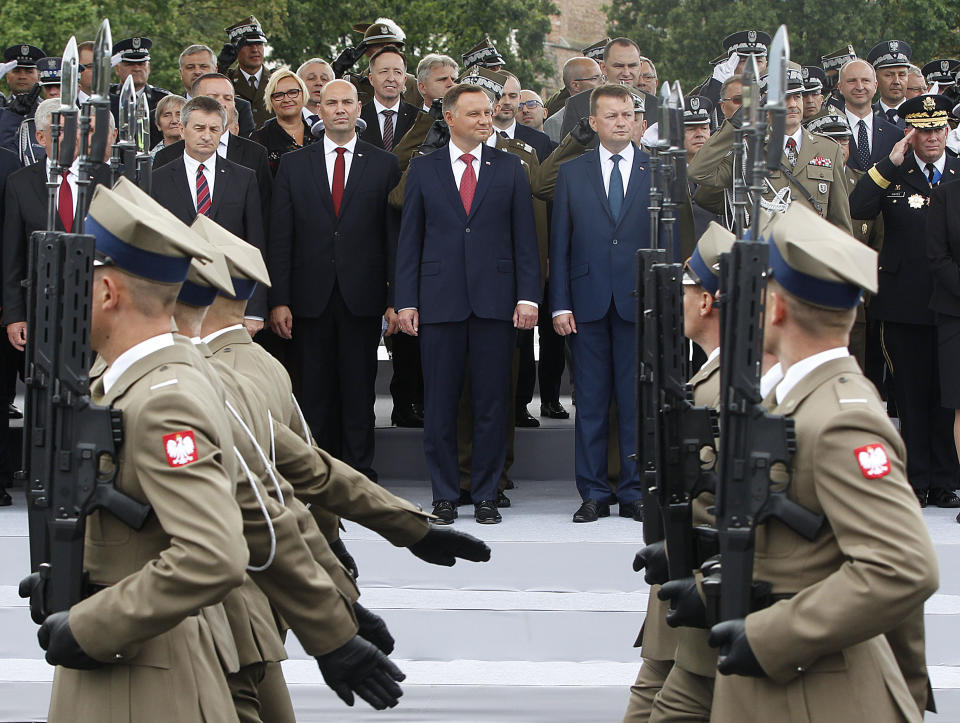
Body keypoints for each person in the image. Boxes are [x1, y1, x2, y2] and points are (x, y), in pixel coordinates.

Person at [707, 202, 938, 723]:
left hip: (817, 692)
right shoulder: (793, 400)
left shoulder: (840, 419)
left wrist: (770, 636)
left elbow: (902, 567)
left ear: (778, 308)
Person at [35, 183, 249, 722]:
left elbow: (213, 553)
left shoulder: (162, 400)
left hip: (141, 683)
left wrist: (91, 624)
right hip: (131, 666)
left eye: (77, 279)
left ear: (107, 292)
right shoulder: (133, 383)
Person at [394, 82, 540, 525]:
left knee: (492, 402)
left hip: (496, 303)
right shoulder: (424, 169)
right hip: (439, 303)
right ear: (450, 118)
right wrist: (405, 302)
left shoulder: (511, 167)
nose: (485, 120)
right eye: (474, 113)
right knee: (439, 404)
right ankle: (444, 493)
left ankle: (487, 493)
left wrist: (528, 295)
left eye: (488, 113)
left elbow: (525, 240)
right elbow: (410, 241)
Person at [624, 222, 737, 723]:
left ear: (708, 302)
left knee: (662, 699)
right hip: (687, 570)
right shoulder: (711, 375)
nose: (681, 299)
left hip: (699, 575)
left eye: (687, 289)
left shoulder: (721, 385)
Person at [268, 79, 399, 482]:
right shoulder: (293, 165)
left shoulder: (384, 164)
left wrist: (396, 298)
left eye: (347, 102)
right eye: (331, 103)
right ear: (318, 110)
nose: (340, 109)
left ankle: (359, 473)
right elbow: (280, 237)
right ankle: (319, 473)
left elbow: (393, 238)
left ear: (359, 108)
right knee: (314, 391)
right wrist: (279, 299)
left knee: (360, 390)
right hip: (308, 298)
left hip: (364, 296)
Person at [849, 93, 960, 508]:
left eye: (938, 128)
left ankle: (946, 480)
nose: (931, 137)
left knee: (948, 394)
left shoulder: (957, 171)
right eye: (923, 129)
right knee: (910, 394)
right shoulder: (893, 172)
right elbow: (858, 207)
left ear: (948, 130)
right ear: (910, 132)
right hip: (903, 299)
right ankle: (915, 479)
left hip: (950, 299)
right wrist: (887, 166)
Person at [550, 84, 649, 523]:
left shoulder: (657, 169)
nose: (622, 121)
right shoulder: (572, 173)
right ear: (593, 122)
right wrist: (559, 305)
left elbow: (668, 242)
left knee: (633, 402)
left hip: (638, 303)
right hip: (586, 304)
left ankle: (632, 491)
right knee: (590, 402)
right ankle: (592, 492)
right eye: (611, 116)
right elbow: (561, 244)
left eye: (628, 114)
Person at [689, 63, 853, 235]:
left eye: (797, 97)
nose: (792, 105)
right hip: (765, 254)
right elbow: (698, 172)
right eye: (784, 98)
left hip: (811, 254)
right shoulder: (746, 149)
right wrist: (732, 127)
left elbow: (841, 223)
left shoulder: (829, 149)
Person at [3, 98, 110, 355]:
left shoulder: (107, 177)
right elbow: (12, 255)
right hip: (42, 309)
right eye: (59, 131)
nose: (69, 138)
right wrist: (15, 314)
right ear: (40, 137)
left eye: (74, 130)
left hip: (96, 309)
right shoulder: (20, 183)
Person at [150, 96, 268, 325]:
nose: (206, 135)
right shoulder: (157, 180)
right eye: (199, 128)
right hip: (173, 303)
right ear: (183, 130)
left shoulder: (244, 179)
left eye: (214, 129)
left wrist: (254, 311)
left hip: (230, 301)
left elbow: (255, 244)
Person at [838, 58, 904, 173]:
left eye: (865, 81)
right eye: (852, 81)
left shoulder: (895, 135)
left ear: (875, 86)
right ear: (840, 87)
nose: (859, 87)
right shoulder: (827, 132)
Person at [178, 43, 255, 138]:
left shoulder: (241, 107)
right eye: (190, 67)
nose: (197, 71)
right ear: (181, 73)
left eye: (203, 66)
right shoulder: (169, 108)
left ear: (215, 70)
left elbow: (246, 146)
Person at [251, 68, 316, 175]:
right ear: (270, 100)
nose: (286, 99)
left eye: (293, 92)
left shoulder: (318, 134)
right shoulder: (259, 140)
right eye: (278, 95)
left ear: (303, 94)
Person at [109, 37, 170, 146]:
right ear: (117, 69)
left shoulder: (163, 99)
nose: (136, 68)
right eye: (130, 64)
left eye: (141, 64)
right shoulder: (108, 97)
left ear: (149, 68)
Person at [359, 45, 419, 152]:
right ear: (371, 79)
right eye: (384, 71)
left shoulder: (419, 119)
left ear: (404, 80)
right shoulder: (356, 118)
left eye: (397, 72)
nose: (391, 78)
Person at [220, 15, 274, 128]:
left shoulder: (277, 78)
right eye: (248, 45)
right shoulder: (225, 78)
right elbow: (204, 92)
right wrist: (220, 66)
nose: (255, 50)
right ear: (236, 49)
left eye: (259, 44)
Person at [542, 56, 603, 143]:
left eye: (602, 77)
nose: (602, 82)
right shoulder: (556, 122)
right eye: (595, 78)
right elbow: (559, 155)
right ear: (575, 85)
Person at [868, 40, 912, 128]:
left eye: (902, 75)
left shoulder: (918, 115)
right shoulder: (868, 116)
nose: (896, 81)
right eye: (889, 75)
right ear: (876, 79)